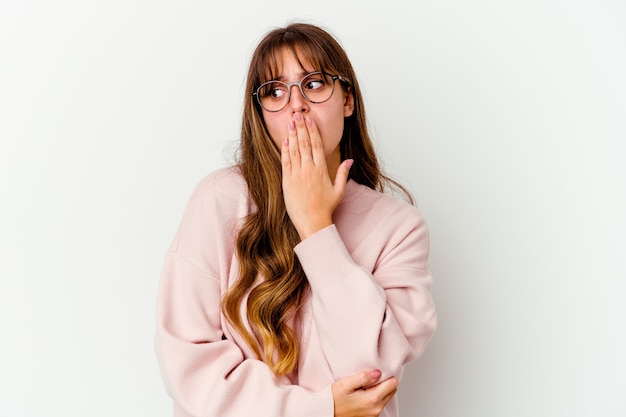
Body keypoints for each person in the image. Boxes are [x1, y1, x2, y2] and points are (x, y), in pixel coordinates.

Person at [155, 22, 436, 417]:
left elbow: (370, 375)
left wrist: (315, 226)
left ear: (348, 100)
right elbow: (188, 367)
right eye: (274, 91)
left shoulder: (399, 227)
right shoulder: (219, 200)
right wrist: (320, 409)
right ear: (261, 114)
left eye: (315, 84)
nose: (296, 104)